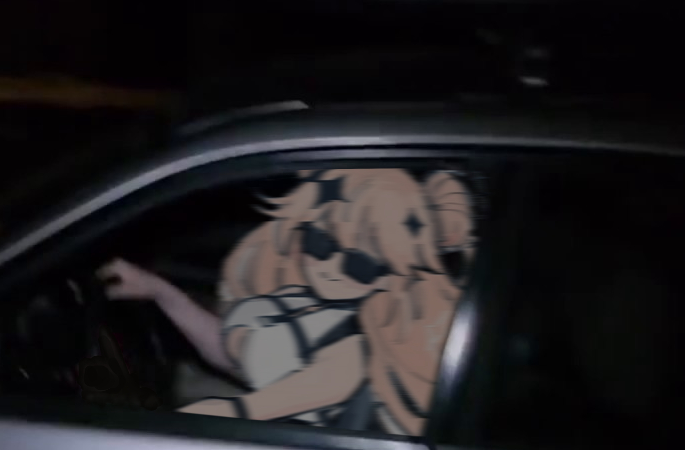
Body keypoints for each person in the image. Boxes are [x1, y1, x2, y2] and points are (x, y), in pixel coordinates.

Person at [98, 169, 475, 435]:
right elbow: (238, 358)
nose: (330, 266)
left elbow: (245, 409)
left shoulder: (363, 349)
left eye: (360, 264)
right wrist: (162, 293)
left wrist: (146, 437)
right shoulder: (328, 307)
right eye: (320, 242)